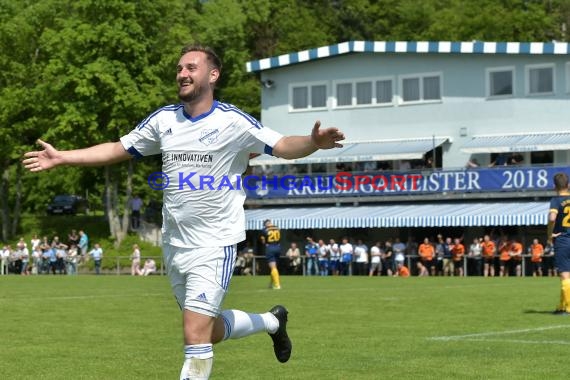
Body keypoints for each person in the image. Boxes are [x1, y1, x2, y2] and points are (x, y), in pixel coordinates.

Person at [23, 44, 345, 379]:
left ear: (213, 75)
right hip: (175, 245)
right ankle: (272, 321)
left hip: (214, 244)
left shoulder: (232, 121)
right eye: (179, 68)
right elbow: (117, 148)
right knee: (207, 330)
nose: (182, 74)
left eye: (191, 67)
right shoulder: (163, 120)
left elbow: (282, 146)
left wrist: (312, 143)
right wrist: (62, 157)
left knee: (194, 335)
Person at [547, 172, 570, 315]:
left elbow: (552, 217)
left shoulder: (555, 200)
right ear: (568, 185)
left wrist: (550, 234)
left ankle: (568, 307)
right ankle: (561, 306)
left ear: (554, 186)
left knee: (565, 275)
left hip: (563, 240)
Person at [260, 219, 282, 289]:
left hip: (270, 248)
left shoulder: (265, 229)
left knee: (273, 268)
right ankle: (271, 284)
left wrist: (265, 243)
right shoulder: (277, 228)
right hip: (278, 247)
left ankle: (277, 285)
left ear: (266, 224)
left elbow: (263, 241)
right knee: (274, 268)